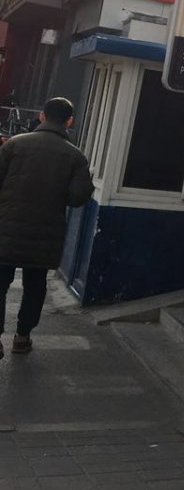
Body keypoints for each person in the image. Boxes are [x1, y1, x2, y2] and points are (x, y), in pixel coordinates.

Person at [0, 97, 94, 358]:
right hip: (45, 235)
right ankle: (22, 336)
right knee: (34, 286)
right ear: (69, 121)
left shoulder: (14, 145)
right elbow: (78, 198)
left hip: (5, 228)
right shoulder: (75, 156)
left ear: (41, 116)